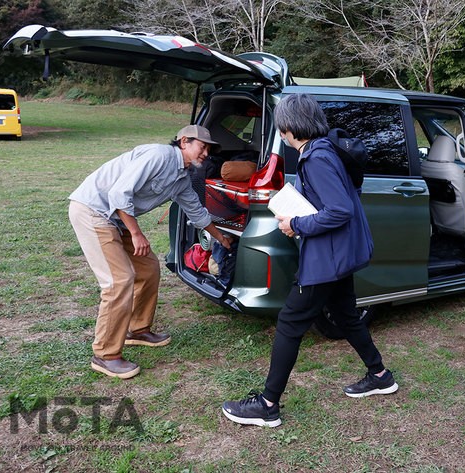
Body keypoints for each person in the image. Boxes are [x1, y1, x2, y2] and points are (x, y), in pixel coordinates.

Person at [221, 94, 397, 427]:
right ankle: (380, 375)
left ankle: (267, 405)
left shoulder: (316, 157)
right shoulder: (325, 150)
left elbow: (340, 211)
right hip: (339, 251)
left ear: (288, 126)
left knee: (290, 323)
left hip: (329, 257)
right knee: (346, 315)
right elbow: (342, 201)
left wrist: (295, 224)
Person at [69, 125, 232, 380]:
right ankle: (105, 354)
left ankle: (137, 330)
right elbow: (118, 193)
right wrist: (136, 233)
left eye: (209, 149)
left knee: (148, 269)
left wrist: (221, 237)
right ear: (184, 141)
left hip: (117, 218)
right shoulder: (159, 156)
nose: (206, 153)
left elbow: (196, 212)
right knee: (118, 281)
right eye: (202, 146)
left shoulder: (182, 177)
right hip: (94, 212)